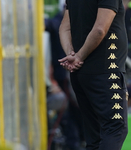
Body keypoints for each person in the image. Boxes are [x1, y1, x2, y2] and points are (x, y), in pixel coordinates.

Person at [58, 0, 128, 149]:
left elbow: (64, 28)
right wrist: (78, 57)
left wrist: (71, 54)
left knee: (94, 135)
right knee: (115, 128)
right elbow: (100, 30)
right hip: (106, 72)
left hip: (80, 74)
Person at [45, 3, 85, 150]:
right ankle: (74, 142)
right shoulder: (57, 23)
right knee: (73, 110)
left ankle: (77, 140)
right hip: (65, 74)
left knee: (74, 110)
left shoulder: (72, 22)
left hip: (69, 72)